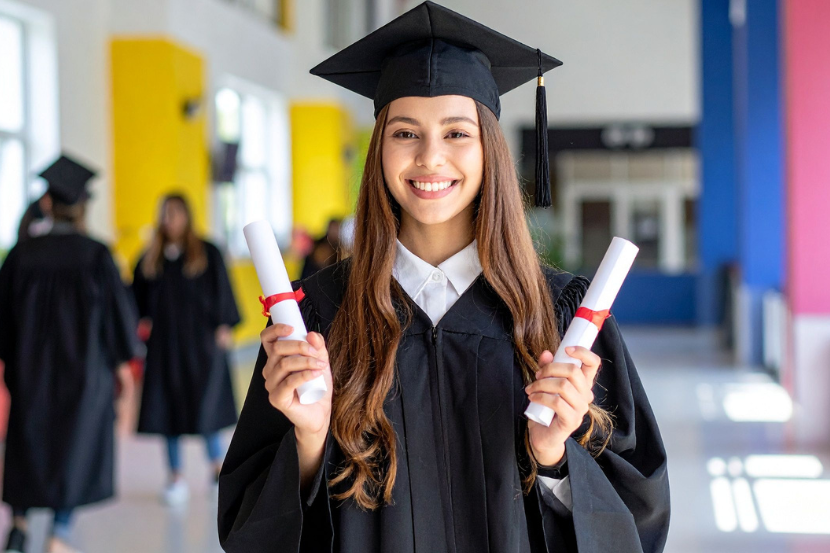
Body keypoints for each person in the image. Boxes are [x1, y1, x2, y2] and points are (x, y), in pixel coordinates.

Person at [218, 3, 670, 552]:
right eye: (405, 133)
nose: (430, 158)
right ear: (379, 150)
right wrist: (310, 439)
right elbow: (248, 529)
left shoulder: (561, 317)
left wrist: (555, 459)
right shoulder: (318, 316)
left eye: (457, 133)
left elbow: (639, 521)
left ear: (489, 151)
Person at [0, 154, 138, 553]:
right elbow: (118, 318)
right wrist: (123, 368)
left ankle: (21, 523)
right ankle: (59, 533)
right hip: (86, 373)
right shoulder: (95, 254)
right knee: (75, 445)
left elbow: (3, 319)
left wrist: (14, 362)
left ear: (47, 203)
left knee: (30, 442)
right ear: (81, 206)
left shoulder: (21, 254)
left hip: (30, 371)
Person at [132, 194, 241, 506]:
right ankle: (175, 476)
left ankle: (217, 469)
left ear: (187, 216)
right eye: (165, 214)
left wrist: (224, 326)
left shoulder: (206, 252)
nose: (170, 220)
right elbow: (135, 299)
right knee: (167, 411)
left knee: (205, 406)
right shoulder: (152, 258)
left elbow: (223, 292)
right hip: (165, 348)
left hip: (200, 346)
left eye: (175, 213)